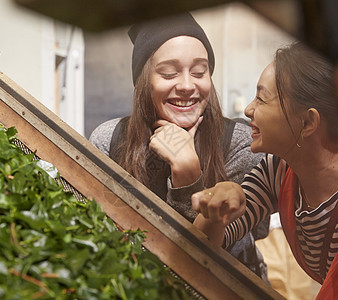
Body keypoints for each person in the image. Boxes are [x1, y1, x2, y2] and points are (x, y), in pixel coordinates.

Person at [191, 42, 338, 299]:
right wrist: (220, 202)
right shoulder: (280, 172)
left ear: (307, 122)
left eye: (262, 98)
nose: (249, 109)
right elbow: (205, 245)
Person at [89, 13, 269, 280]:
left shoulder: (241, 143)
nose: (187, 85)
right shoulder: (109, 140)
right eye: (169, 73)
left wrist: (188, 175)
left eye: (199, 72)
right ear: (143, 82)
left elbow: (211, 259)